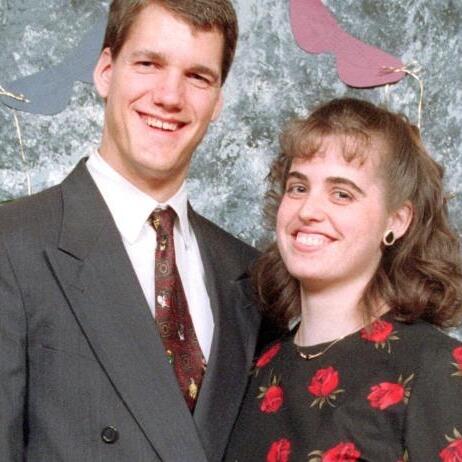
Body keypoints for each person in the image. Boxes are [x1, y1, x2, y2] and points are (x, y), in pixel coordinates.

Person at [0, 1, 261, 461]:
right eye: (148, 64)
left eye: (198, 76)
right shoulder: (13, 243)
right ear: (105, 71)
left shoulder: (250, 276)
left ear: (218, 100)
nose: (169, 96)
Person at [225, 97, 462, 461]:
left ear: (396, 221)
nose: (308, 210)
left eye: (341, 194)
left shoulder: (436, 367)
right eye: (298, 187)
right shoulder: (256, 366)